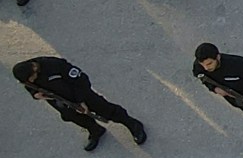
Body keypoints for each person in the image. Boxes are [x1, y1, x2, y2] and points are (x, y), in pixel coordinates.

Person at [16, 55, 146, 150]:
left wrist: (80, 100)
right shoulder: (27, 76)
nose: (31, 82)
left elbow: (81, 79)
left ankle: (133, 125)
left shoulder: (54, 65)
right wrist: (35, 95)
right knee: (76, 118)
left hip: (80, 95)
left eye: (31, 78)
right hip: (61, 102)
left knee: (106, 110)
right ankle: (96, 131)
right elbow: (30, 86)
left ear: (34, 68)